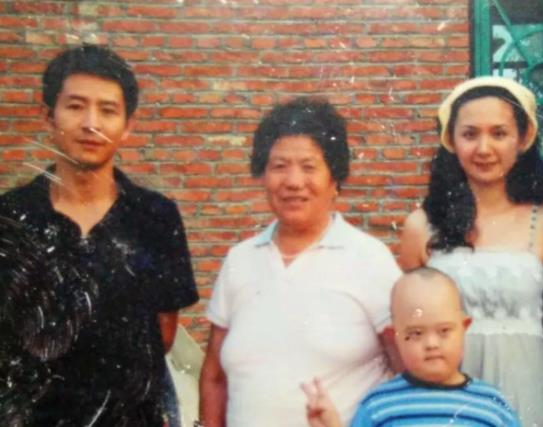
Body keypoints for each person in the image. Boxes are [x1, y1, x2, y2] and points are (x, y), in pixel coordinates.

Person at [0, 44, 199, 426]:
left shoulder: (155, 217)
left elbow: (163, 334)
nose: (91, 123)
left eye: (108, 110)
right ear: (48, 115)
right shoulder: (10, 217)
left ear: (128, 125)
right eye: (76, 106)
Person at [198, 97, 402, 427]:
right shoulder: (240, 260)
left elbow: (407, 371)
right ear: (263, 175)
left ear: (334, 179)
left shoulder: (369, 258)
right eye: (279, 166)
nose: (293, 182)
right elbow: (214, 377)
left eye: (309, 167)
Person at [398, 76, 543, 426]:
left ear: (523, 139)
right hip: (448, 404)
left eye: (499, 133)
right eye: (470, 134)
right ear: (451, 141)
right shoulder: (421, 227)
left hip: (527, 393)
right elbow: (408, 327)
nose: (484, 148)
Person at [302, 267, 521, 427]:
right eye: (416, 333)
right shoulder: (379, 405)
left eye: (444, 331)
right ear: (394, 336)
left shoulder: (492, 405)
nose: (432, 344)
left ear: (464, 328)